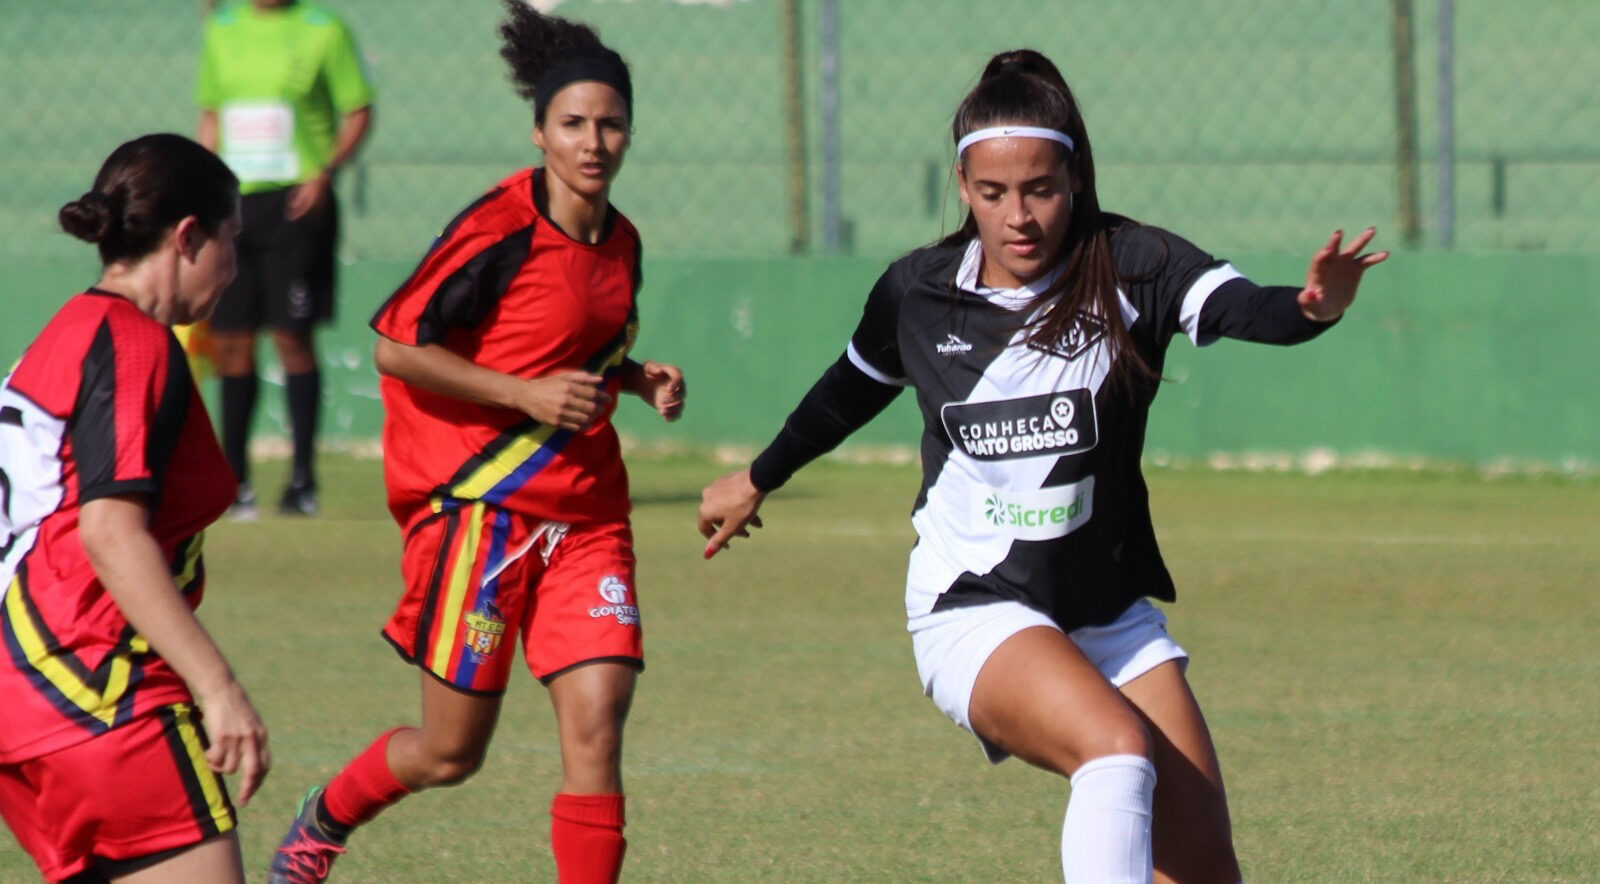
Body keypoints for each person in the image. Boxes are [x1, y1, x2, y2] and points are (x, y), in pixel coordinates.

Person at [698, 49, 1388, 884]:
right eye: (993, 194)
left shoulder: (1133, 265)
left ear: (1074, 177)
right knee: (1115, 753)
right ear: (962, 186)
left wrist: (1315, 307)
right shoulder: (918, 293)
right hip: (973, 605)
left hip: (1103, 611)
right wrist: (759, 475)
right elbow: (852, 387)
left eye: (1040, 189)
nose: (1018, 215)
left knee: (1203, 866)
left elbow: (1246, 307)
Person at [266, 5, 684, 883]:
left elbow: (578, 350)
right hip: (479, 511)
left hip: (587, 515)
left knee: (598, 726)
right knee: (451, 753)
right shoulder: (496, 229)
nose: (594, 141)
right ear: (539, 131)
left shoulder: (626, 242)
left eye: (611, 124)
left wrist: (636, 378)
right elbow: (394, 345)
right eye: (573, 123)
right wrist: (523, 394)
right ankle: (326, 819)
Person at [0, 133, 271, 884]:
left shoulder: (60, 335)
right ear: (188, 237)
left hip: (23, 697)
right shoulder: (133, 342)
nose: (236, 267)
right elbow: (109, 532)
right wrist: (219, 689)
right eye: (231, 242)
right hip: (96, 692)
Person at [196, 0, 375, 518]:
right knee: (230, 342)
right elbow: (212, 116)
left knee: (291, 335)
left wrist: (324, 172)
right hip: (234, 205)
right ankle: (235, 482)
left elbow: (358, 110)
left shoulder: (323, 30)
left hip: (297, 203)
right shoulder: (222, 29)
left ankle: (301, 481)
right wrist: (199, 185)